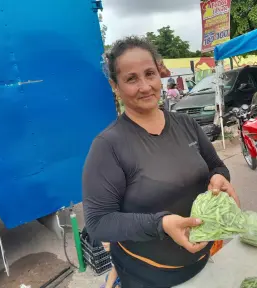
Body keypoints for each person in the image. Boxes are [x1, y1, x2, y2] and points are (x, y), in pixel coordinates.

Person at [82, 36, 240, 288]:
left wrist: (220, 178)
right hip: (149, 275)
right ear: (115, 85)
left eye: (150, 74)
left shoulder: (187, 125)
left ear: (159, 74)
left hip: (203, 259)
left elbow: (216, 167)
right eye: (131, 79)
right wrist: (161, 223)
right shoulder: (108, 145)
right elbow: (98, 223)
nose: (145, 86)